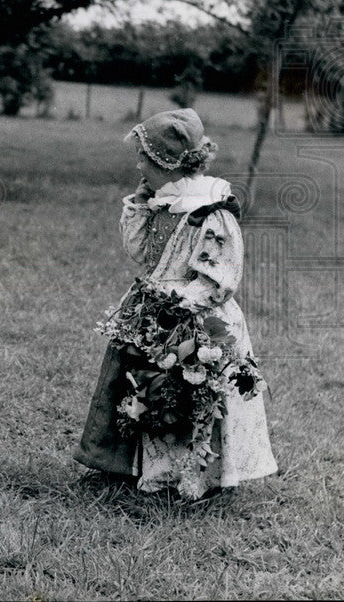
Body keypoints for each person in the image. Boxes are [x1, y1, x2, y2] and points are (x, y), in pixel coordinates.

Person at [74, 108, 277, 499]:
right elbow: (140, 252)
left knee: (184, 394)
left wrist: (176, 303)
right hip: (153, 311)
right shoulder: (163, 202)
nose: (138, 165)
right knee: (140, 388)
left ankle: (185, 478)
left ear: (168, 163)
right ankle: (128, 467)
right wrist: (138, 204)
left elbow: (219, 280)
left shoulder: (210, 212)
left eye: (144, 158)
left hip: (194, 319)